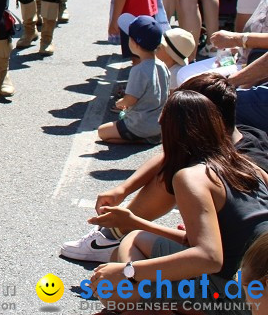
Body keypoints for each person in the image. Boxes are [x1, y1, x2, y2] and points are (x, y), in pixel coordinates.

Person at [62, 73, 268, 262]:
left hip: (241, 266)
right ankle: (115, 234)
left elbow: (211, 252)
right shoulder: (240, 136)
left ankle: (114, 235)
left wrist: (134, 223)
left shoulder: (221, 170)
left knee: (120, 270)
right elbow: (169, 155)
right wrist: (122, 189)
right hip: (242, 256)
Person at [89, 89, 268, 306]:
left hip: (245, 295)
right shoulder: (249, 166)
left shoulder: (191, 177)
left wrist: (128, 271)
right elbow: (209, 242)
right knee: (134, 239)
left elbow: (209, 258)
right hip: (257, 279)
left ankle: (144, 307)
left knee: (112, 289)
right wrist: (133, 222)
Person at [99, 15, 169, 145]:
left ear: (134, 43)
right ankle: (149, 137)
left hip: (140, 124)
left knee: (102, 132)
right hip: (160, 123)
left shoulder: (138, 70)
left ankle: (139, 139)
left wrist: (120, 103)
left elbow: (130, 100)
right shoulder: (162, 65)